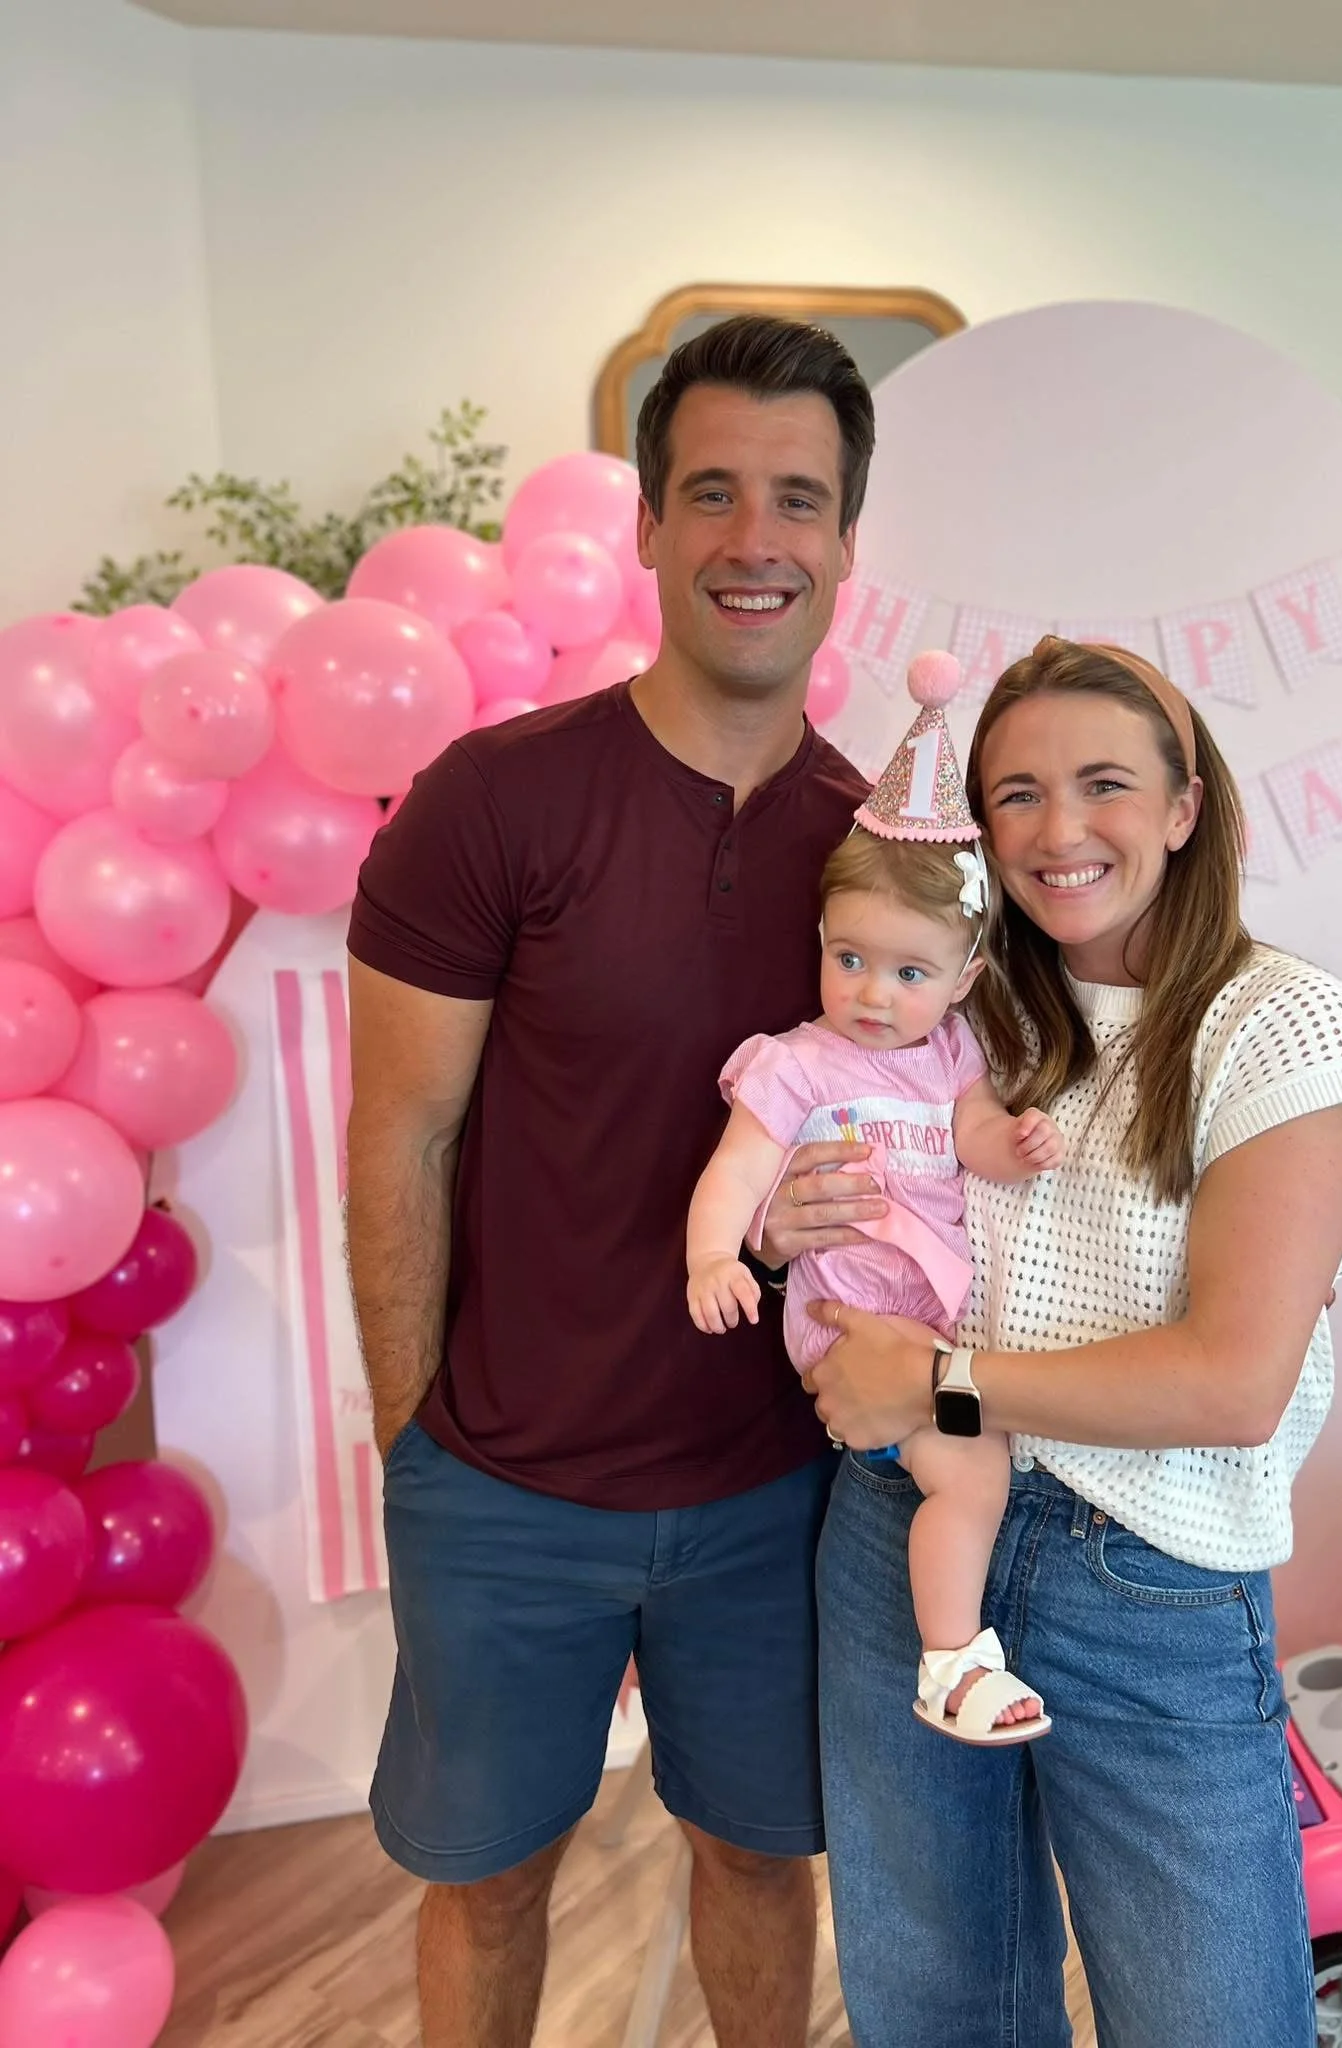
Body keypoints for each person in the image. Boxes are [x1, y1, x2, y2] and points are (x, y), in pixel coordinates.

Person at [344, 315, 888, 2048]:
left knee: (760, 1861)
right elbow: (402, 1133)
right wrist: (417, 1439)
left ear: (845, 545)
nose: (754, 539)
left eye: (796, 500)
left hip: (774, 1493)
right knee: (490, 1880)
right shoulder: (492, 801)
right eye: (711, 492)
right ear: (648, 526)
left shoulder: (877, 852)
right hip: (505, 1487)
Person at [789, 635, 1342, 2046]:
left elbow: (1231, 1382)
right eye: (1015, 794)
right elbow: (823, 1147)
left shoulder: (1280, 1026)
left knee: (1211, 2019)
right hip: (906, 1531)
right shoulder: (963, 1003)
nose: (1058, 829)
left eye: (1104, 784)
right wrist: (788, 1217)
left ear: (1185, 806)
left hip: (1149, 1569)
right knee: (936, 2005)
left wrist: (934, 1382)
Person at [687, 649, 1063, 1745]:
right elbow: (736, 1171)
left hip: (928, 1323)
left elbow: (974, 1138)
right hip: (847, 1317)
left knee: (977, 1457)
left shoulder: (951, 1054)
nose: (873, 994)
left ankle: (955, 1652)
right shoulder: (798, 1062)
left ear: (962, 981)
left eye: (909, 974)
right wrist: (713, 1255)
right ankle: (952, 1661)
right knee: (972, 1471)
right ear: (821, 942)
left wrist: (1016, 1144)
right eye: (850, 959)